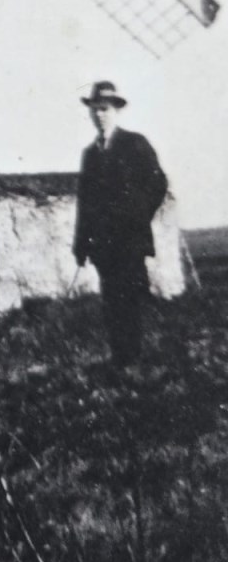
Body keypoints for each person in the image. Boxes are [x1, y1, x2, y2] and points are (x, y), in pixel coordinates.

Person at [73, 81, 168, 368]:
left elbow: (158, 184)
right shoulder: (90, 154)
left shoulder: (134, 144)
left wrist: (137, 216)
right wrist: (81, 243)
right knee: (111, 301)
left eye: (104, 109)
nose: (99, 115)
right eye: (94, 110)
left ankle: (133, 361)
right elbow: (85, 203)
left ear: (116, 111)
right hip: (103, 245)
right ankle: (120, 360)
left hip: (129, 240)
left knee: (129, 300)